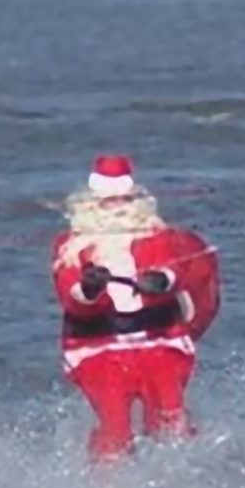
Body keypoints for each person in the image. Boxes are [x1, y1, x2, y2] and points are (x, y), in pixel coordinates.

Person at [50, 154, 221, 463]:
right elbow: (69, 292)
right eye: (105, 202)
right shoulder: (71, 247)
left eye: (121, 201)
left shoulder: (157, 237)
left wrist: (161, 281)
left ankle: (187, 469)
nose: (114, 209)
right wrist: (90, 288)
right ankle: (108, 481)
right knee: (115, 423)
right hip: (101, 347)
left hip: (157, 341)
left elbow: (177, 267)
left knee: (169, 414)